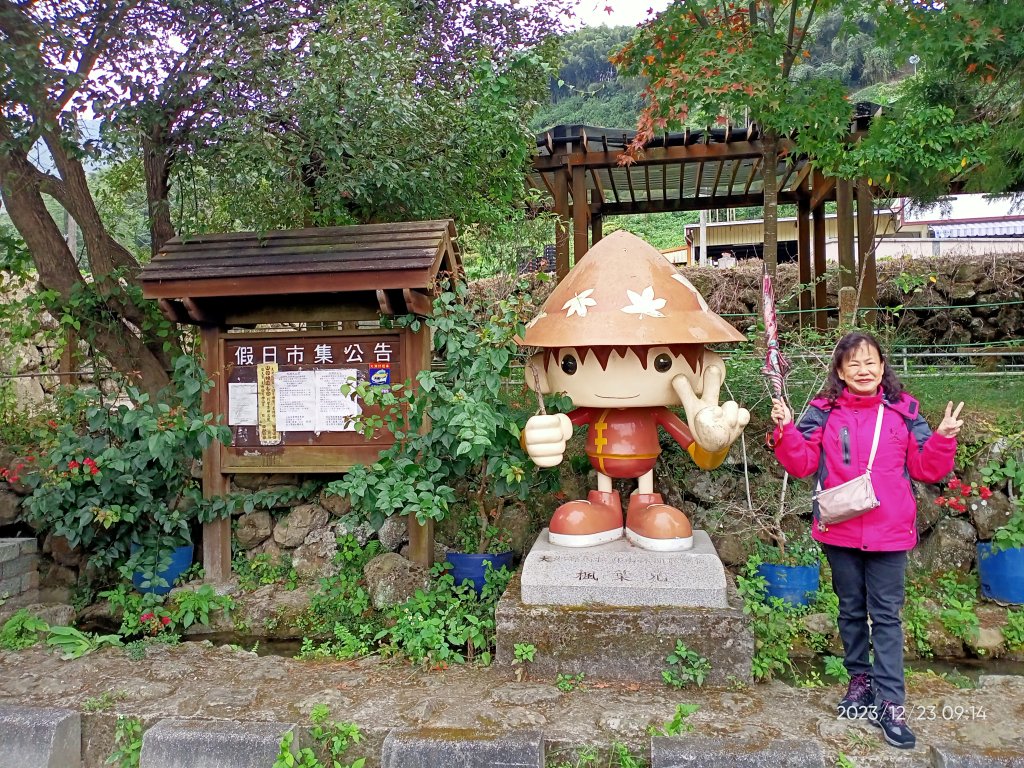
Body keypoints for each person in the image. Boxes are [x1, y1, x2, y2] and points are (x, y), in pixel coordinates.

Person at [769, 331, 963, 750]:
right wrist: (785, 430)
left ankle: (891, 702)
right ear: (840, 370)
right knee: (852, 610)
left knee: (887, 617)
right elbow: (802, 464)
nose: (863, 370)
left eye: (870, 362)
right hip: (839, 528)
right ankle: (860, 681)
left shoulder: (905, 411)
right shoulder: (823, 411)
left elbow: (927, 468)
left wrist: (944, 436)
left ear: (882, 367)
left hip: (890, 531)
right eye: (853, 363)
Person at [518, 230, 750, 551]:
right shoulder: (589, 410)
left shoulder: (658, 412)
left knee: (661, 522)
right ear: (540, 372)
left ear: (706, 367)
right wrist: (537, 437)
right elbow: (559, 427)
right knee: (575, 518)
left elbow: (701, 455)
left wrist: (714, 444)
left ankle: (646, 505)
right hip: (602, 474)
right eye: (571, 364)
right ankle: (603, 508)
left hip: (646, 478)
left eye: (662, 362)